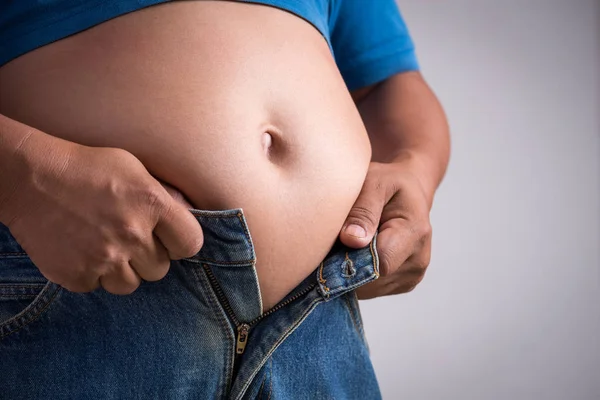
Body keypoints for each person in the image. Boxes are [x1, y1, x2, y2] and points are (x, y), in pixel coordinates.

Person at [0, 0, 450, 398]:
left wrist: (415, 170)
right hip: (90, 293)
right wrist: (25, 179)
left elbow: (389, 83)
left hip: (318, 316)